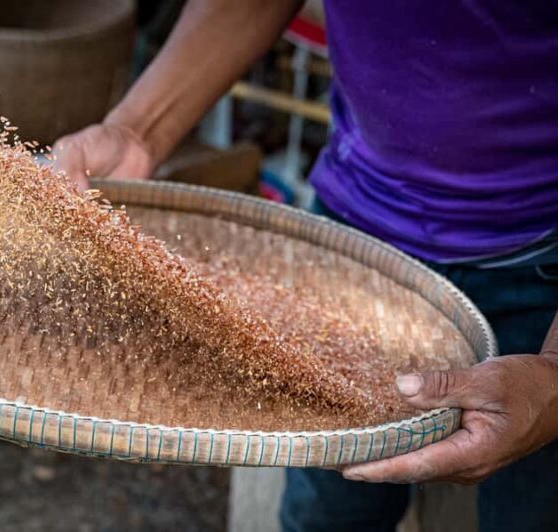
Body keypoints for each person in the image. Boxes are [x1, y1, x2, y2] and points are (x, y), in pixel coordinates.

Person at [53, 1, 558, 530]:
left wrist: (552, 375)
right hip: (351, 233)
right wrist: (138, 129)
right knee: (326, 510)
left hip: (538, 262)